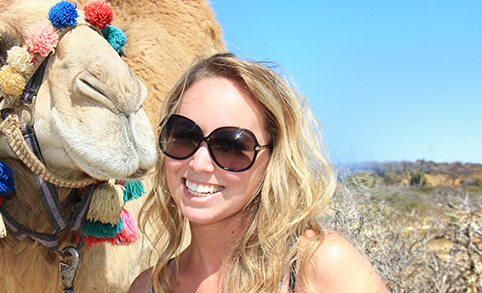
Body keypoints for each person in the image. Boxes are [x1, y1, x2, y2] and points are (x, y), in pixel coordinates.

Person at [129, 53, 386, 293]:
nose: (199, 163)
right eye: (184, 136)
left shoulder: (320, 268)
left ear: (273, 159)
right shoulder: (147, 287)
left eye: (230, 145)